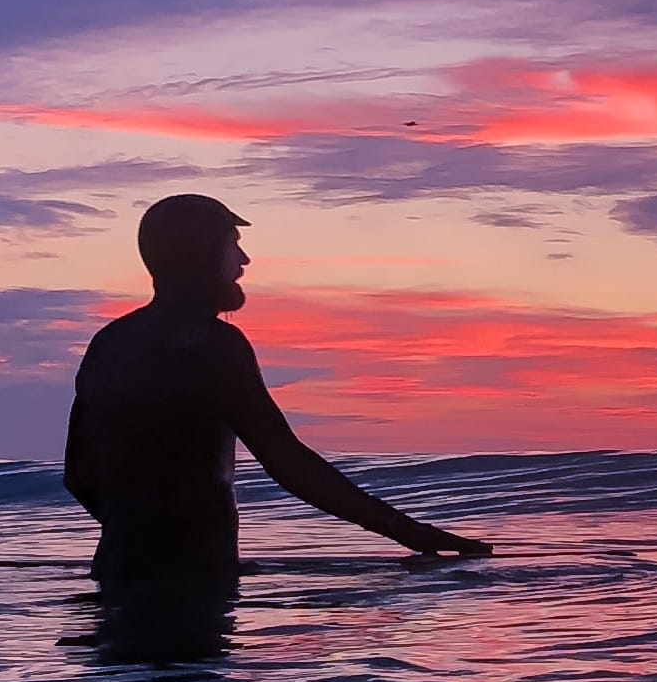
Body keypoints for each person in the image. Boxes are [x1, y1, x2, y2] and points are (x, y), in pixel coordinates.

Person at [63, 194, 489, 585]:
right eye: (232, 244)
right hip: (193, 583)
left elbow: (78, 474)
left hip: (116, 574)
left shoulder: (110, 342)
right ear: (202, 253)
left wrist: (136, 535)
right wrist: (415, 534)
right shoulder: (212, 345)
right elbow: (287, 461)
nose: (244, 260)